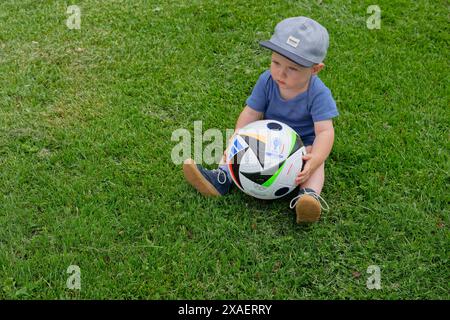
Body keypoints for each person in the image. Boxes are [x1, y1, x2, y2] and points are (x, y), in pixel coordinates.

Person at [183, 16, 338, 223]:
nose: (280, 72)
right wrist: (238, 135)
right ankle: (222, 177)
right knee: (237, 145)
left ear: (315, 69)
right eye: (276, 62)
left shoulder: (318, 93)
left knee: (315, 163)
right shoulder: (267, 80)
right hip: (266, 137)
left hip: (302, 145)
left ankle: (308, 196)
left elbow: (325, 132)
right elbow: (251, 113)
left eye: (292, 69)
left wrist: (315, 158)